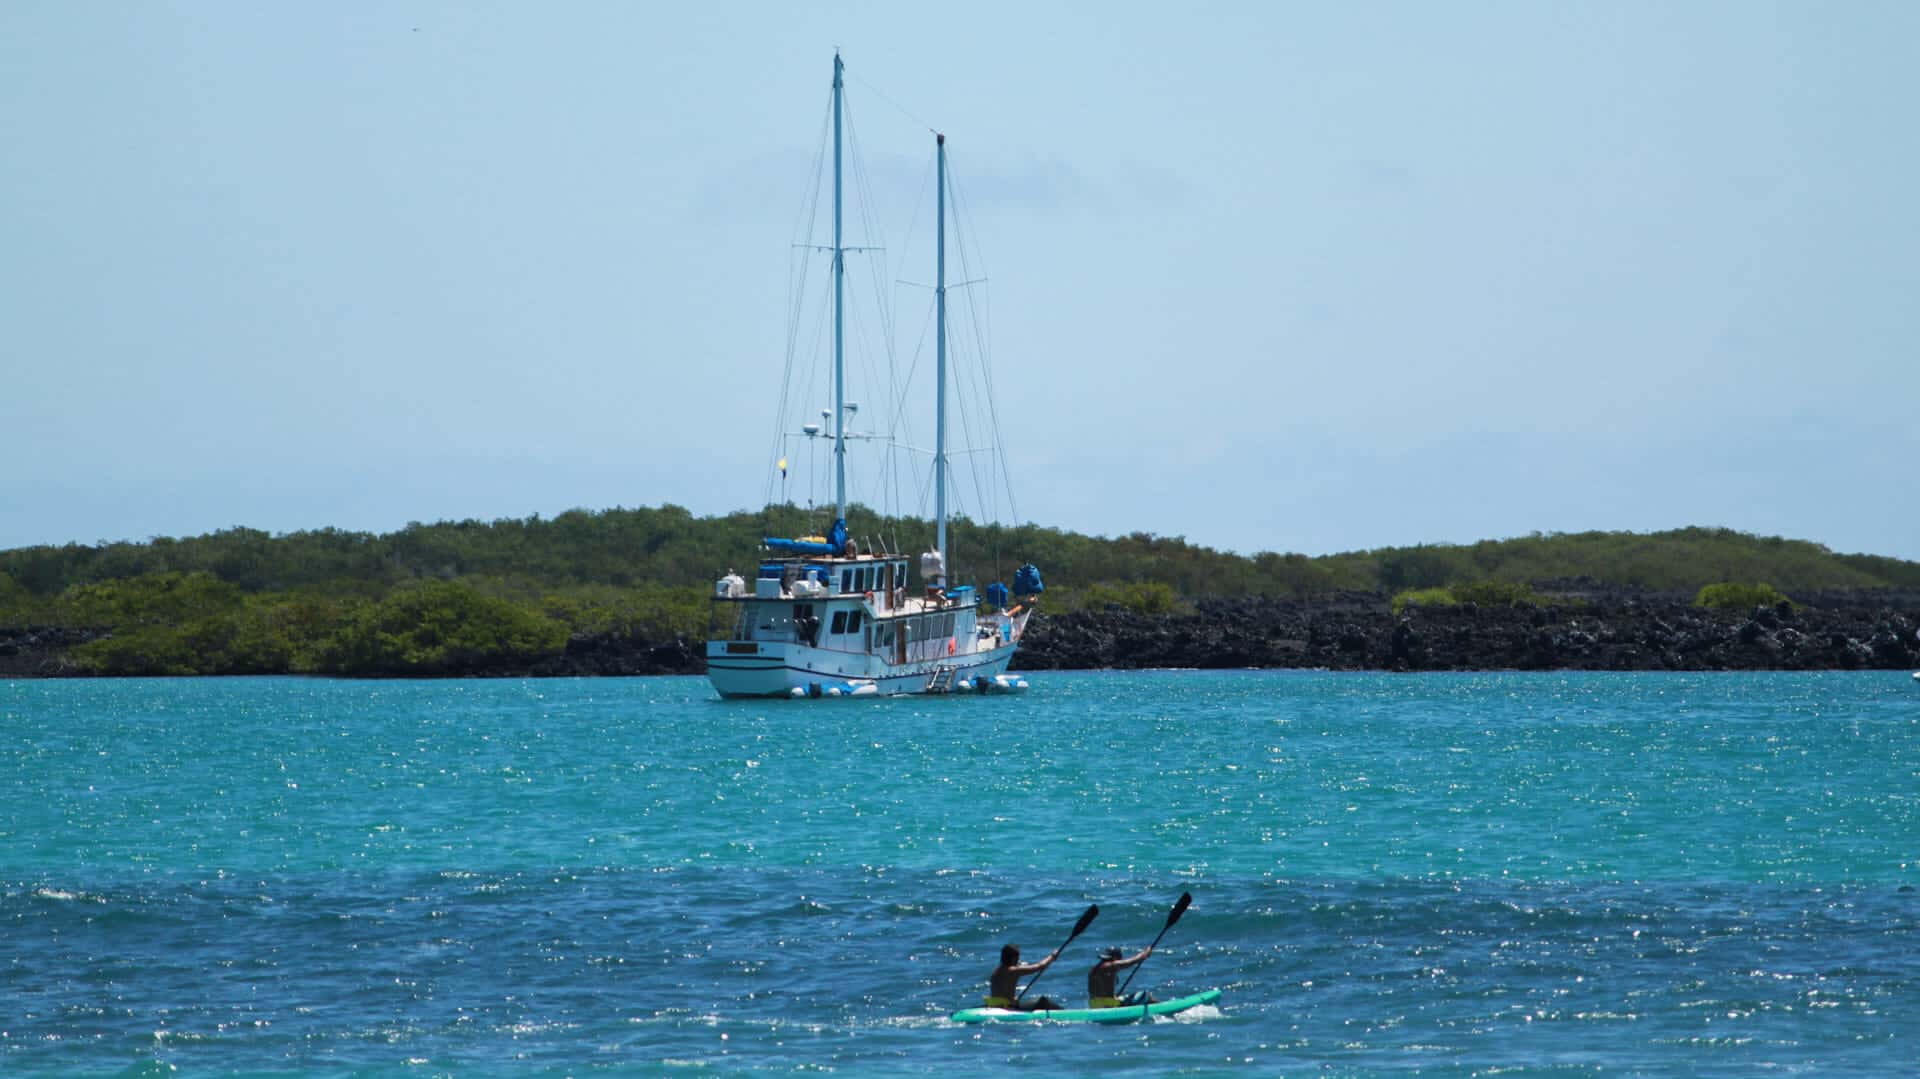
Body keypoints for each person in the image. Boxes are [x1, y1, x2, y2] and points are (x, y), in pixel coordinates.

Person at [985, 944, 1064, 1011]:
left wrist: (1012, 999)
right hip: (1007, 1007)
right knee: (1043, 1001)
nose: (1018, 961)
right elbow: (1039, 966)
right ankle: (1063, 1013)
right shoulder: (1012, 971)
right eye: (1017, 958)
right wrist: (1052, 956)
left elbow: (1002, 993)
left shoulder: (996, 972)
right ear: (1012, 959)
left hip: (995, 1005)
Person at [1087, 945, 1158, 1008]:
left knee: (1122, 998)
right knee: (1145, 995)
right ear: (1115, 958)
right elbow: (1132, 961)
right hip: (1108, 1005)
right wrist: (1146, 952)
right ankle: (1160, 1009)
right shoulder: (1111, 965)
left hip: (1094, 1005)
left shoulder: (1094, 969)